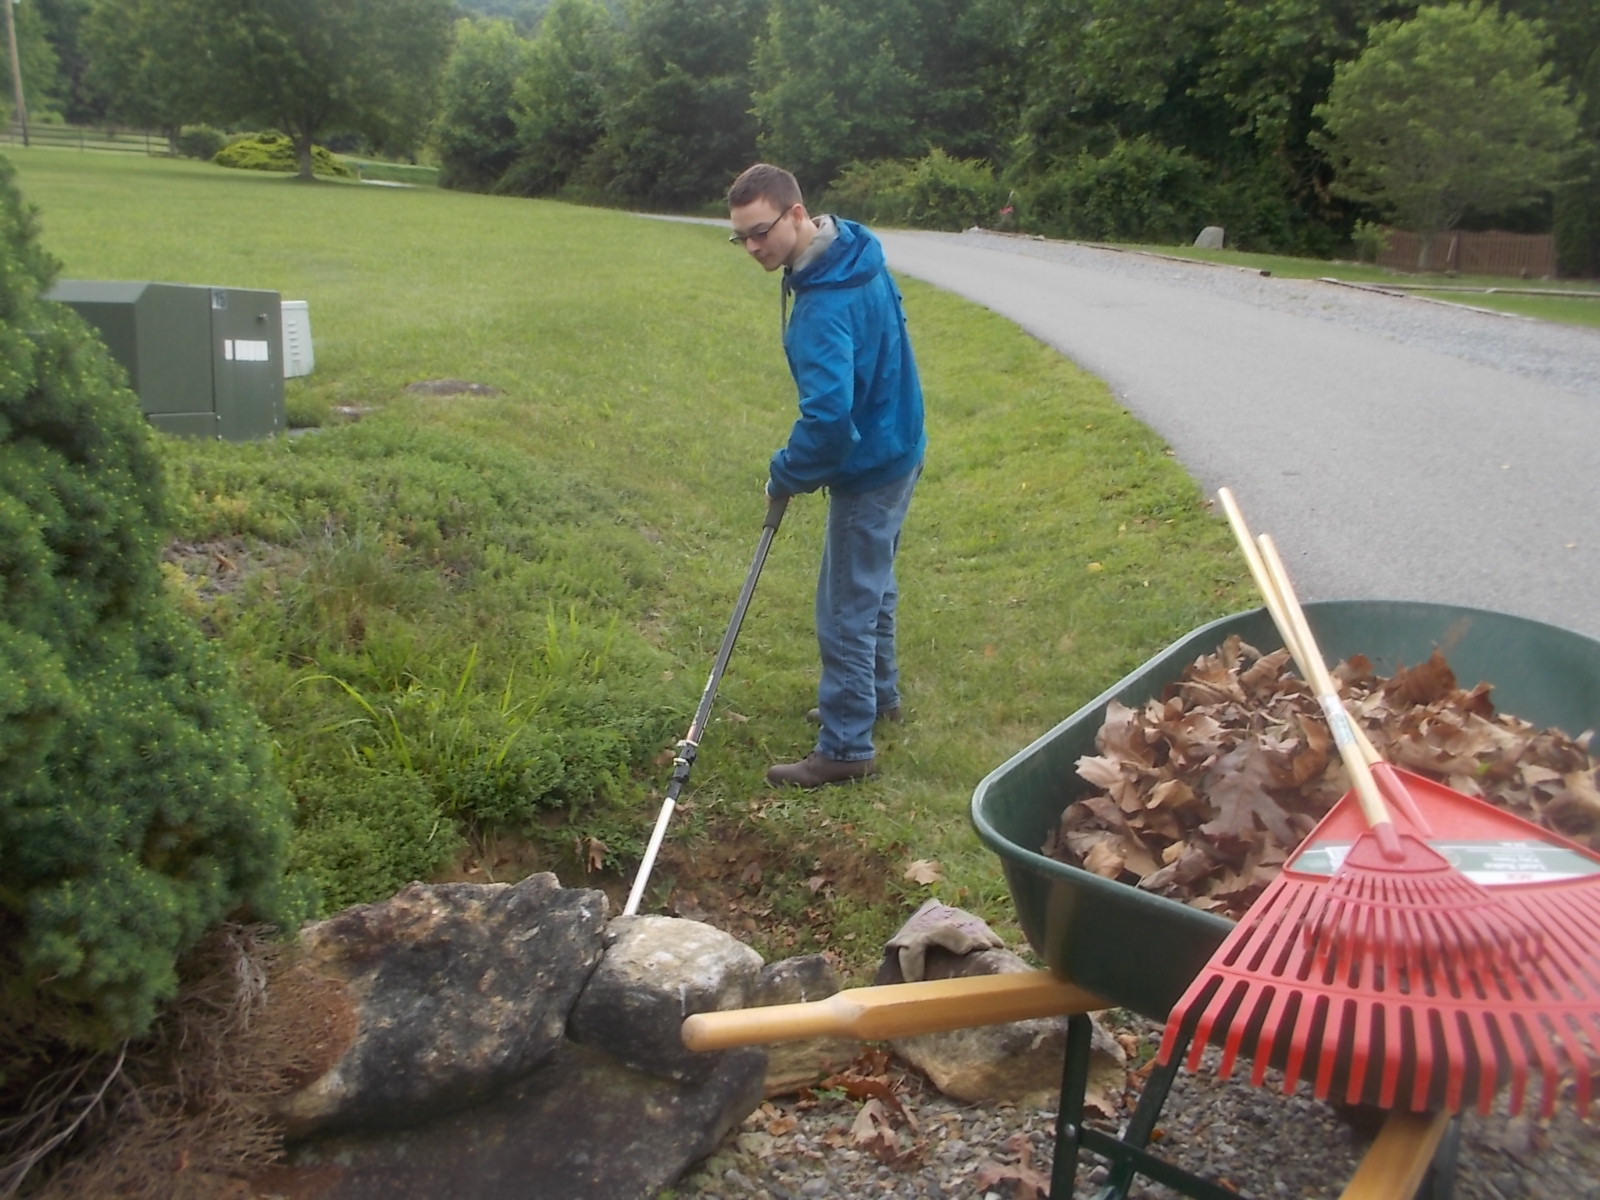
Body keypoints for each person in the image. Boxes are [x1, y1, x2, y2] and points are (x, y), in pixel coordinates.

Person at [726, 163, 926, 789]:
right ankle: (877, 695)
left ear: (795, 213)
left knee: (845, 603)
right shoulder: (856, 250)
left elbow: (830, 420)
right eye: (741, 238)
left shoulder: (821, 306)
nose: (754, 248)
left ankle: (845, 743)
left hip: (871, 463)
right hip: (901, 445)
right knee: (874, 584)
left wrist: (785, 472)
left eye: (761, 232)